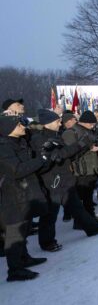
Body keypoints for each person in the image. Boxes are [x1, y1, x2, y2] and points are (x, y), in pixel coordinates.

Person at [31, 109, 98, 249]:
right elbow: (59, 155)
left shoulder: (56, 136)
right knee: (50, 214)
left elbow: (67, 155)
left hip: (65, 179)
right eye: (56, 121)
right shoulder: (39, 139)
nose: (59, 123)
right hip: (52, 181)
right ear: (47, 123)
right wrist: (81, 144)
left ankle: (93, 228)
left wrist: (84, 147)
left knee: (77, 207)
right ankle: (47, 242)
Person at [0, 116, 48, 281]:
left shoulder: (18, 142)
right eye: (19, 124)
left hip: (23, 193)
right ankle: (14, 270)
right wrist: (40, 160)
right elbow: (17, 170)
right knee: (14, 233)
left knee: (24, 229)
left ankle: (24, 258)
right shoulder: (4, 147)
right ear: (9, 128)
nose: (23, 126)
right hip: (12, 196)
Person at [62, 110, 98, 223]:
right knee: (81, 197)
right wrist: (89, 148)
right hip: (80, 171)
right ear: (84, 122)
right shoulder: (70, 133)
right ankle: (83, 221)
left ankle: (89, 218)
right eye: (91, 124)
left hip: (90, 168)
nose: (93, 126)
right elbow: (70, 153)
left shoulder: (88, 131)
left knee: (88, 196)